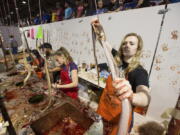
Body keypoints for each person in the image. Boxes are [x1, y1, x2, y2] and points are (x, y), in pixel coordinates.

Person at [92, 21, 150, 135]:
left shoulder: (139, 72)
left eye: (131, 43)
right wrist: (100, 32)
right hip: (107, 112)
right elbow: (104, 43)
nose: (127, 45)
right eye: (125, 43)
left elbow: (145, 96)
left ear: (137, 49)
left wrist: (132, 95)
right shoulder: (117, 60)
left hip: (121, 118)